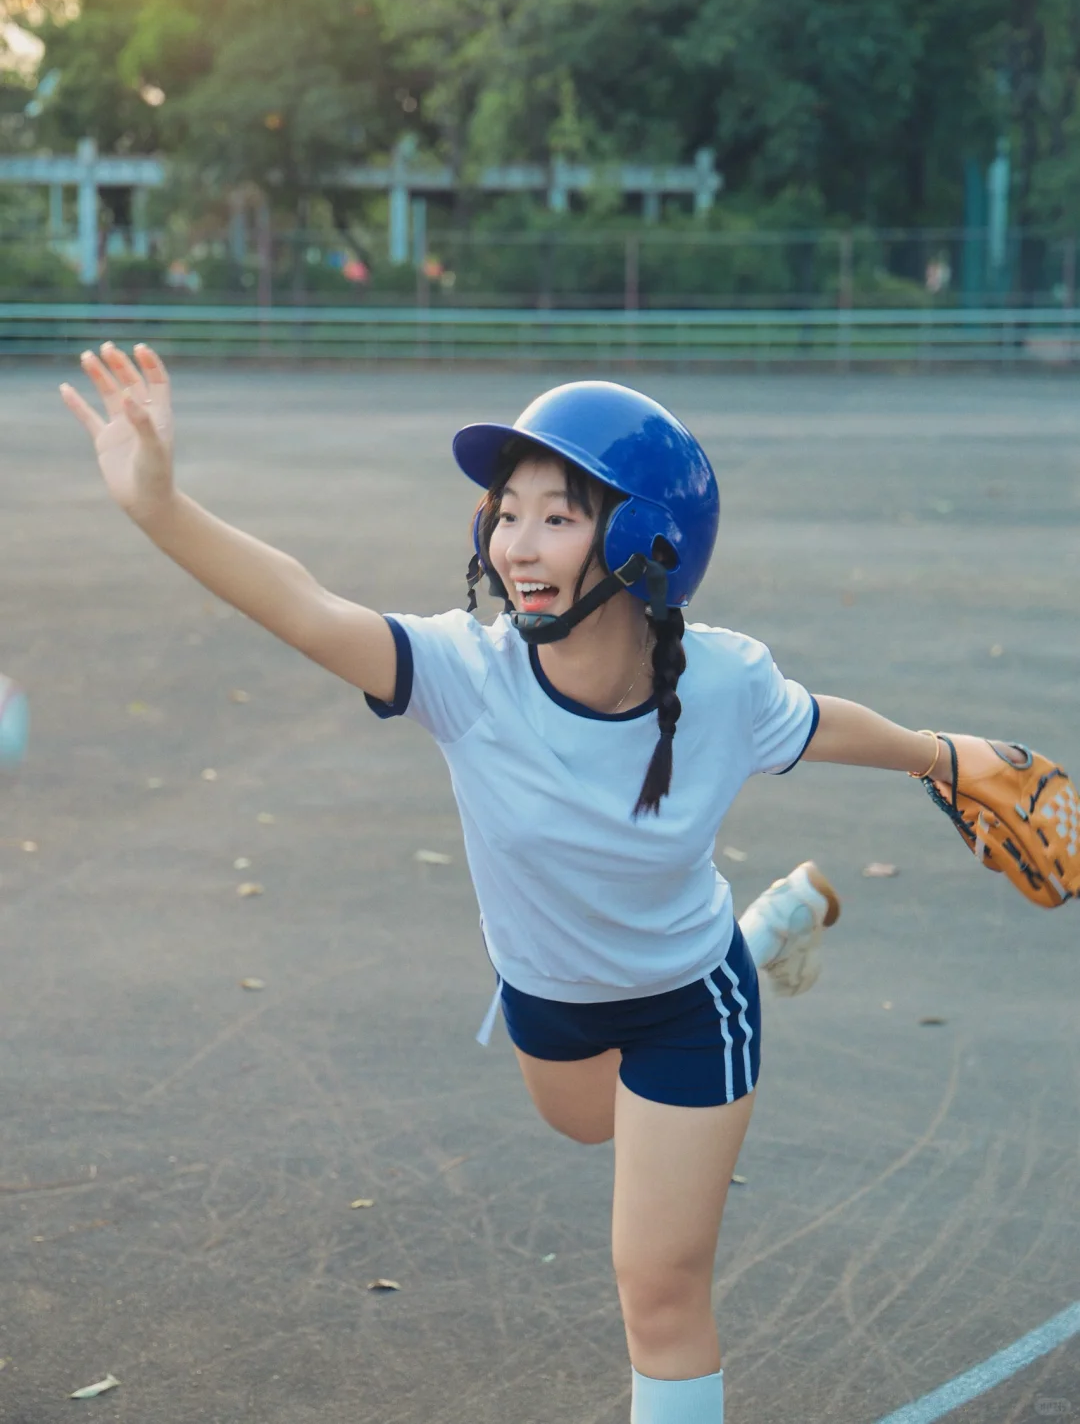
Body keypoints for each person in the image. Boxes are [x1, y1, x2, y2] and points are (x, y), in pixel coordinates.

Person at [59, 347, 1022, 1424]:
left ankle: (739, 956)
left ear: (641, 540)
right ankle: (772, 922)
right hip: (550, 997)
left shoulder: (723, 683)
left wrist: (945, 754)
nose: (516, 541)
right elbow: (303, 606)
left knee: (657, 1286)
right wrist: (160, 506)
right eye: (505, 511)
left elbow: (822, 723)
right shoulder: (467, 679)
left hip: (687, 1003)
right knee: (583, 1125)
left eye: (557, 515)